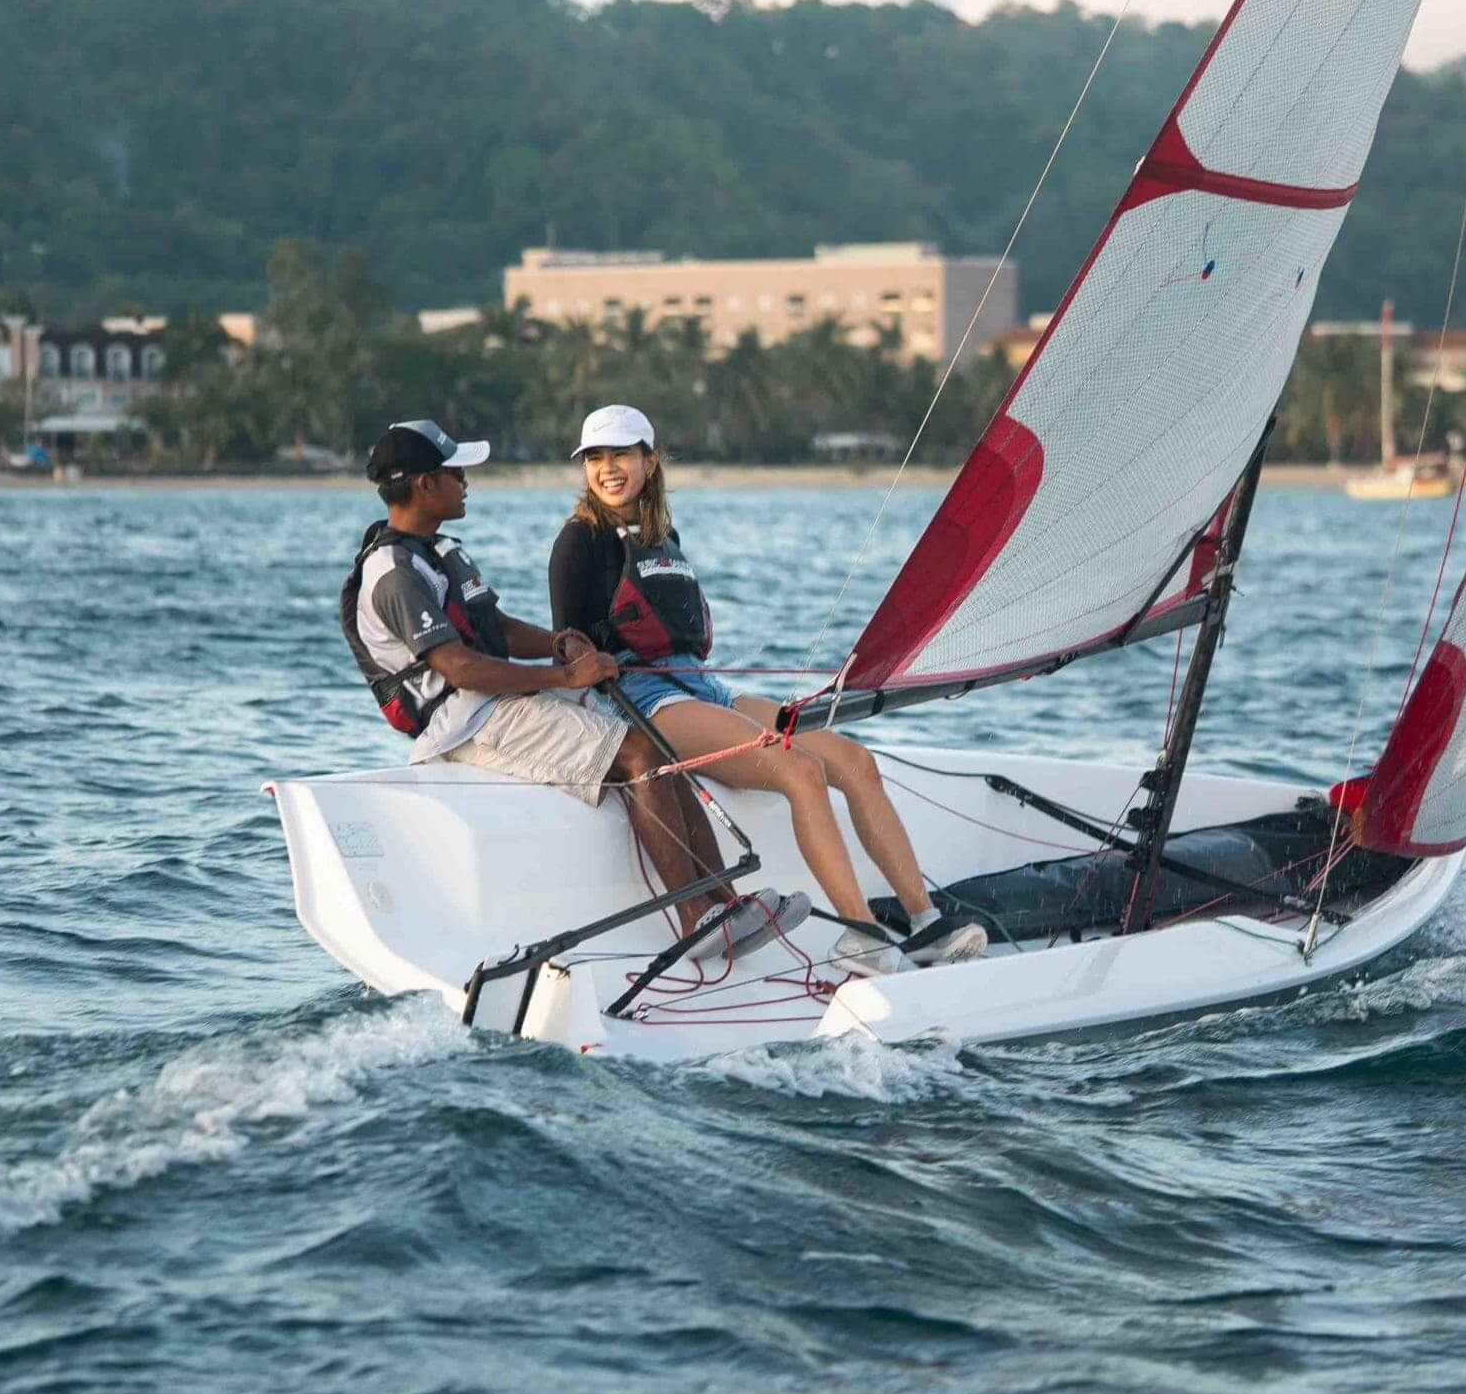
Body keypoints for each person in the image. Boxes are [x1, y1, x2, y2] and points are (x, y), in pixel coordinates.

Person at [343, 419, 808, 964]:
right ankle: (693, 920)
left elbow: (496, 626)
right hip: (466, 723)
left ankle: (723, 902)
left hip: (494, 701)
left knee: (652, 741)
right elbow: (461, 667)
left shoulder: (439, 550)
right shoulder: (394, 572)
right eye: (455, 471)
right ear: (425, 485)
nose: (465, 480)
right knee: (639, 753)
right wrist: (565, 679)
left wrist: (562, 642)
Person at [548, 404, 989, 977]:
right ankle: (863, 935)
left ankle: (926, 923)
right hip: (647, 701)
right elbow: (567, 644)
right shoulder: (578, 542)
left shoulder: (662, 534)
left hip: (705, 687)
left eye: (622, 455)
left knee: (853, 760)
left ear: (650, 461)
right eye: (596, 458)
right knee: (799, 770)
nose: (609, 468)